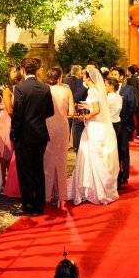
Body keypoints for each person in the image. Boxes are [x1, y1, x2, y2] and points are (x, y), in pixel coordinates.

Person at [69, 66, 120, 205]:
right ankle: (97, 188)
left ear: (88, 77)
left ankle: (94, 190)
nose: (82, 77)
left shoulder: (92, 91)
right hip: (101, 127)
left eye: (84, 76)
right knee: (95, 157)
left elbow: (96, 110)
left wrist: (84, 117)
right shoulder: (98, 90)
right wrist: (86, 106)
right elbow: (99, 106)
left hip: (95, 127)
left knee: (91, 156)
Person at [10, 57, 55, 216]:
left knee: (25, 171)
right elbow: (50, 111)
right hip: (40, 134)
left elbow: (17, 115)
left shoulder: (20, 88)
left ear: (23, 70)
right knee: (38, 169)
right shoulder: (45, 87)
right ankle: (39, 205)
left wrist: (13, 133)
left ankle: (28, 205)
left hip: (24, 135)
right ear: (36, 70)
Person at [43, 67, 74, 209]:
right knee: (61, 160)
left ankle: (47, 195)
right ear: (60, 77)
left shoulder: (44, 90)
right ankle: (61, 196)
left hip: (47, 125)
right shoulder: (66, 91)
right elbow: (72, 112)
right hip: (62, 126)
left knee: (47, 160)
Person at [0, 66, 21, 198]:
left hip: (12, 121)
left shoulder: (17, 88)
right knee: (5, 153)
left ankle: (10, 183)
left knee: (12, 154)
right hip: (6, 121)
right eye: (13, 70)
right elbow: (9, 109)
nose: (16, 72)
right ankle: (2, 182)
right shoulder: (7, 89)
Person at [116, 68, 136, 187]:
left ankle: (125, 175)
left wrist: (125, 121)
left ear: (122, 76)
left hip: (124, 124)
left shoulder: (128, 89)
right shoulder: (109, 89)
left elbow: (132, 106)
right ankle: (116, 174)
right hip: (113, 125)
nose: (113, 76)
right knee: (115, 150)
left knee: (124, 150)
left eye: (115, 74)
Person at [64, 64, 88, 152]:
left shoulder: (65, 80)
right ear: (78, 72)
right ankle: (73, 143)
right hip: (78, 106)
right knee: (74, 125)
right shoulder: (80, 81)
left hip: (67, 105)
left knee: (68, 124)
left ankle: (68, 143)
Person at [126, 65, 139, 141]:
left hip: (133, 102)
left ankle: (132, 135)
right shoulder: (137, 79)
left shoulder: (130, 80)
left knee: (132, 119)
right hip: (138, 102)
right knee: (138, 119)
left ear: (129, 71)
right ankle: (138, 133)